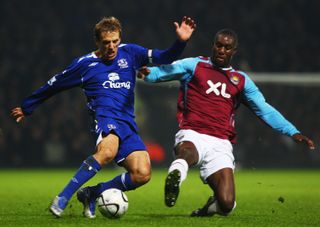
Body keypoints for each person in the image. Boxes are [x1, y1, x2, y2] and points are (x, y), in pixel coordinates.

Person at [11, 16, 196, 218]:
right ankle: (62, 198)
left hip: (128, 123)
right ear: (97, 42)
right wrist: (27, 107)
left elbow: (164, 57)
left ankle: (91, 193)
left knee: (142, 174)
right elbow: (54, 85)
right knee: (107, 151)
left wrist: (181, 41)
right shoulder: (84, 64)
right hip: (105, 117)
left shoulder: (131, 53)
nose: (111, 47)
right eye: (106, 42)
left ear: (120, 38)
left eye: (115, 41)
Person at [137, 29, 315, 217]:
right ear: (213, 46)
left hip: (221, 143)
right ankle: (175, 179)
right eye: (219, 45)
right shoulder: (194, 65)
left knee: (227, 204)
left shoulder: (241, 81)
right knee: (187, 153)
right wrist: (147, 74)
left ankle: (207, 209)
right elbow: (164, 71)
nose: (222, 50)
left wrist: (292, 132)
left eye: (227, 47)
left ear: (233, 51)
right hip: (192, 132)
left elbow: (264, 109)